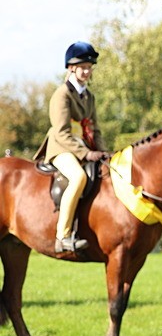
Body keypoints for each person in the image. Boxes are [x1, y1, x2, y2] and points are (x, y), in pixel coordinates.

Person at [34, 41, 108, 254]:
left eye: (89, 67)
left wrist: (103, 153)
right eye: (83, 67)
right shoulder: (62, 95)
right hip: (61, 149)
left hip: (84, 148)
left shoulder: (89, 97)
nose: (87, 71)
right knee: (78, 178)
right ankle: (63, 236)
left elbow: (95, 129)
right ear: (71, 68)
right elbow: (62, 132)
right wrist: (86, 153)